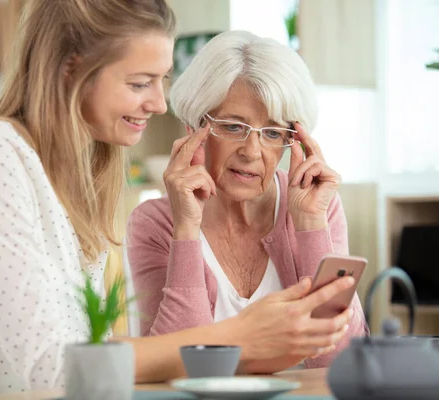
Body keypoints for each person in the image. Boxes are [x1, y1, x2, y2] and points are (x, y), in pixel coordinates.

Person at [0, 3, 356, 399]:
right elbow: (53, 367)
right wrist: (240, 336)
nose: (160, 104)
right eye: (140, 83)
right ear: (70, 69)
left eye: (162, 81)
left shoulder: (81, 185)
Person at [126, 30, 368, 372]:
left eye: (272, 134)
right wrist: (186, 230)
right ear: (193, 127)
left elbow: (341, 362)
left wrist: (311, 225)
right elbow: (176, 366)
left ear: (294, 141)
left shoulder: (318, 205)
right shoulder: (155, 222)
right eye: (232, 126)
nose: (251, 152)